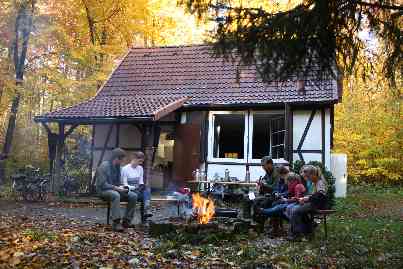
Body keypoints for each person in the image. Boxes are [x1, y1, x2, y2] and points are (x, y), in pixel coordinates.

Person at [96, 148, 137, 232]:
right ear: (117, 158)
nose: (123, 162)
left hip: (115, 189)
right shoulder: (104, 166)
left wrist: (123, 187)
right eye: (122, 160)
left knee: (133, 196)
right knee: (115, 195)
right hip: (103, 191)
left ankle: (126, 221)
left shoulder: (118, 167)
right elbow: (102, 184)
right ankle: (116, 223)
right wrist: (116, 188)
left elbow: (118, 183)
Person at [288, 165, 328, 240]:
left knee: (296, 210)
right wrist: (302, 199)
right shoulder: (314, 182)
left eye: (307, 177)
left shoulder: (320, 182)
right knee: (295, 208)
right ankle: (308, 229)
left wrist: (306, 199)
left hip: (319, 205)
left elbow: (319, 196)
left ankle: (297, 234)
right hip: (313, 203)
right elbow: (312, 196)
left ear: (312, 174)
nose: (307, 179)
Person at [121, 151, 152, 222]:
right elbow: (124, 184)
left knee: (147, 191)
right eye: (139, 161)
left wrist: (142, 186)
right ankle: (145, 212)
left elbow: (141, 181)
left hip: (138, 189)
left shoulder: (140, 168)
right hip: (128, 190)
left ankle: (146, 211)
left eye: (142, 161)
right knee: (143, 196)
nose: (140, 163)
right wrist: (135, 187)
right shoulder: (125, 169)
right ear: (134, 159)